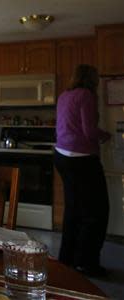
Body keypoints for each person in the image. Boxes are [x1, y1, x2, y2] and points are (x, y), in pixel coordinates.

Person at [54, 64, 111, 277]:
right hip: (82, 159)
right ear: (91, 78)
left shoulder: (64, 95)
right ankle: (87, 263)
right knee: (96, 212)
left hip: (62, 156)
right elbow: (89, 131)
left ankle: (66, 259)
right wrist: (106, 135)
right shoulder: (86, 95)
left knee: (73, 209)